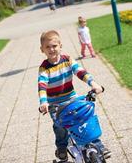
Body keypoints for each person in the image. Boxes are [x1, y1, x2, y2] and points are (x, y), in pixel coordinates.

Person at [38, 30, 109, 161]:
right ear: (42, 49)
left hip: (71, 98)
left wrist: (93, 84)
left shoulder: (67, 59)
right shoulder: (44, 68)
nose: (51, 49)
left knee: (85, 118)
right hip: (55, 104)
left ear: (60, 45)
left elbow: (80, 71)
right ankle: (62, 148)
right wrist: (43, 102)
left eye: (54, 46)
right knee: (60, 126)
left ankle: (98, 145)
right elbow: (42, 85)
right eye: (47, 47)